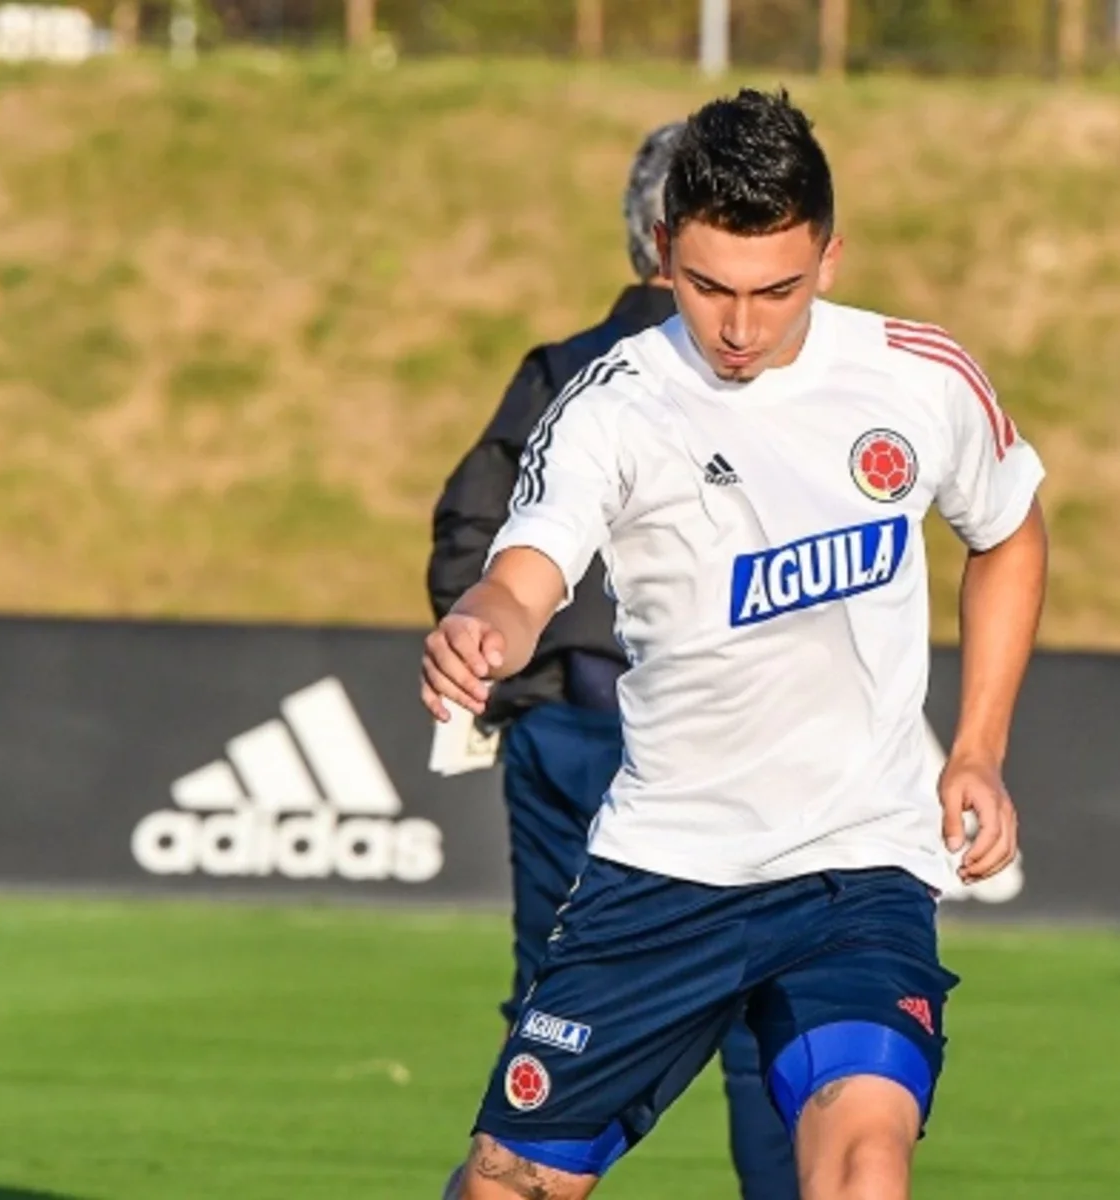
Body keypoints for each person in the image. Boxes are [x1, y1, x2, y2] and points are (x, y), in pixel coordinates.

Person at [422, 88, 1048, 1200]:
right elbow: (531, 564)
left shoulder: (920, 374)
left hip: (858, 863)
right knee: (513, 1182)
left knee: (863, 1167)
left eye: (778, 289)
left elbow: (1007, 531)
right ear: (664, 253)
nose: (743, 328)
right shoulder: (611, 401)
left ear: (831, 255)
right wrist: (487, 622)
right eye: (710, 287)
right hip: (666, 867)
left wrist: (979, 748)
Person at [426, 124, 799, 1200]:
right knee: (764, 1016)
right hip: (728, 741)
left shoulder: (565, 368)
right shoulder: (776, 380)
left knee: (552, 1003)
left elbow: (467, 533)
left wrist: (518, 681)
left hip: (576, 724)